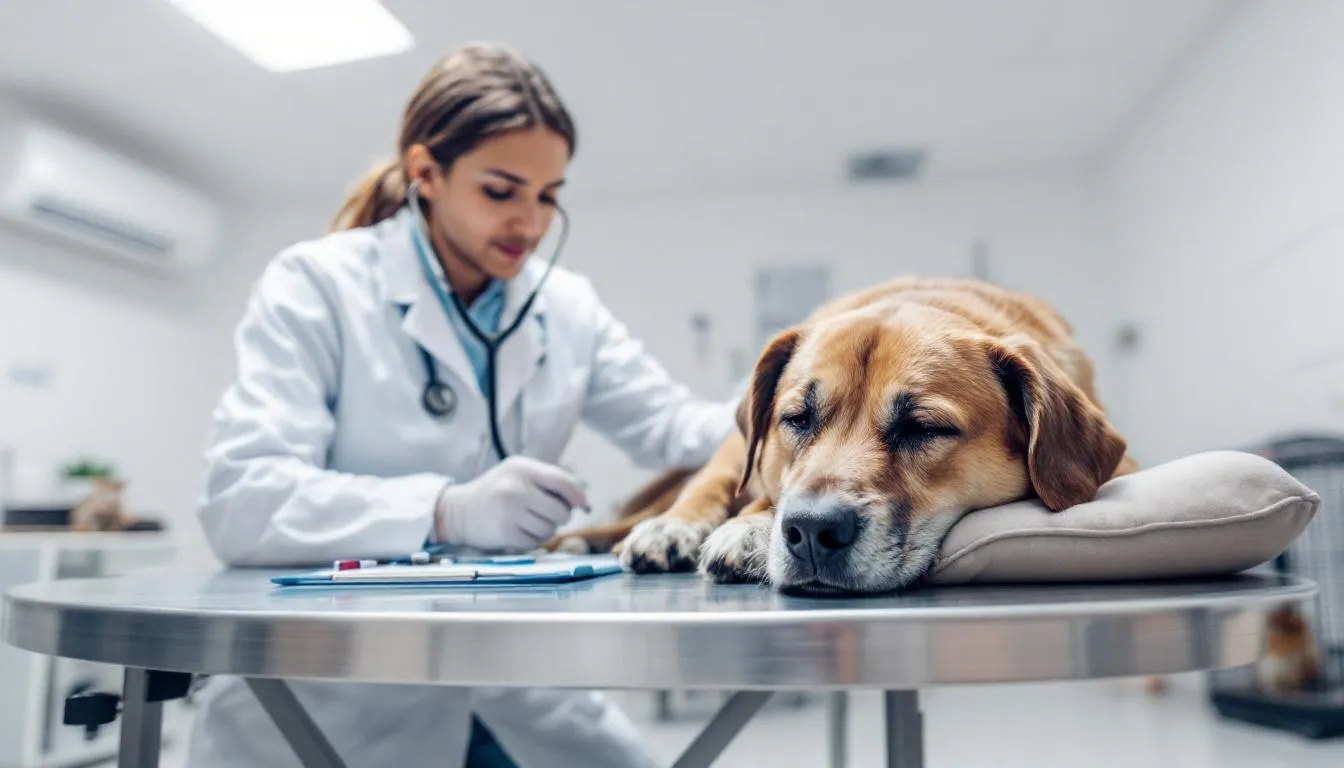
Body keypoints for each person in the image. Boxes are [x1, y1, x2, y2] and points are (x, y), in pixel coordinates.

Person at [186, 42, 736, 768]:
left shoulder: (564, 306)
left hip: (511, 686)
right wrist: (445, 510)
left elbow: (673, 428)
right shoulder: (317, 285)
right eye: (501, 191)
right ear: (426, 174)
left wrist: (795, 396)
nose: (530, 225)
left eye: (548, 196)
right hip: (338, 696)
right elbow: (243, 501)